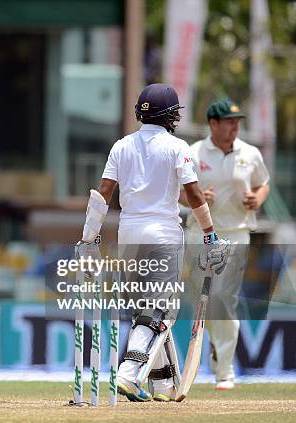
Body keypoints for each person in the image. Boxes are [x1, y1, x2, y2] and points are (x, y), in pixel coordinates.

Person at [75, 83, 230, 402]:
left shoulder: (121, 145)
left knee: (144, 313)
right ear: (170, 115)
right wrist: (210, 234)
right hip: (163, 235)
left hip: (129, 234)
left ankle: (162, 385)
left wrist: (88, 239)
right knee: (158, 311)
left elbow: (103, 192)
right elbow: (194, 194)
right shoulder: (178, 147)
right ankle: (129, 375)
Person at [181, 99, 270, 391]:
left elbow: (263, 183)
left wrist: (257, 199)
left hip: (236, 233)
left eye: (237, 122)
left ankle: (224, 370)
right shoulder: (194, 153)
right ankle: (215, 347)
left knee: (223, 299)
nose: (235, 127)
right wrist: (197, 198)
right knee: (202, 301)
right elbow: (179, 193)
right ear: (213, 124)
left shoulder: (250, 153)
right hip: (200, 234)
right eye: (229, 121)